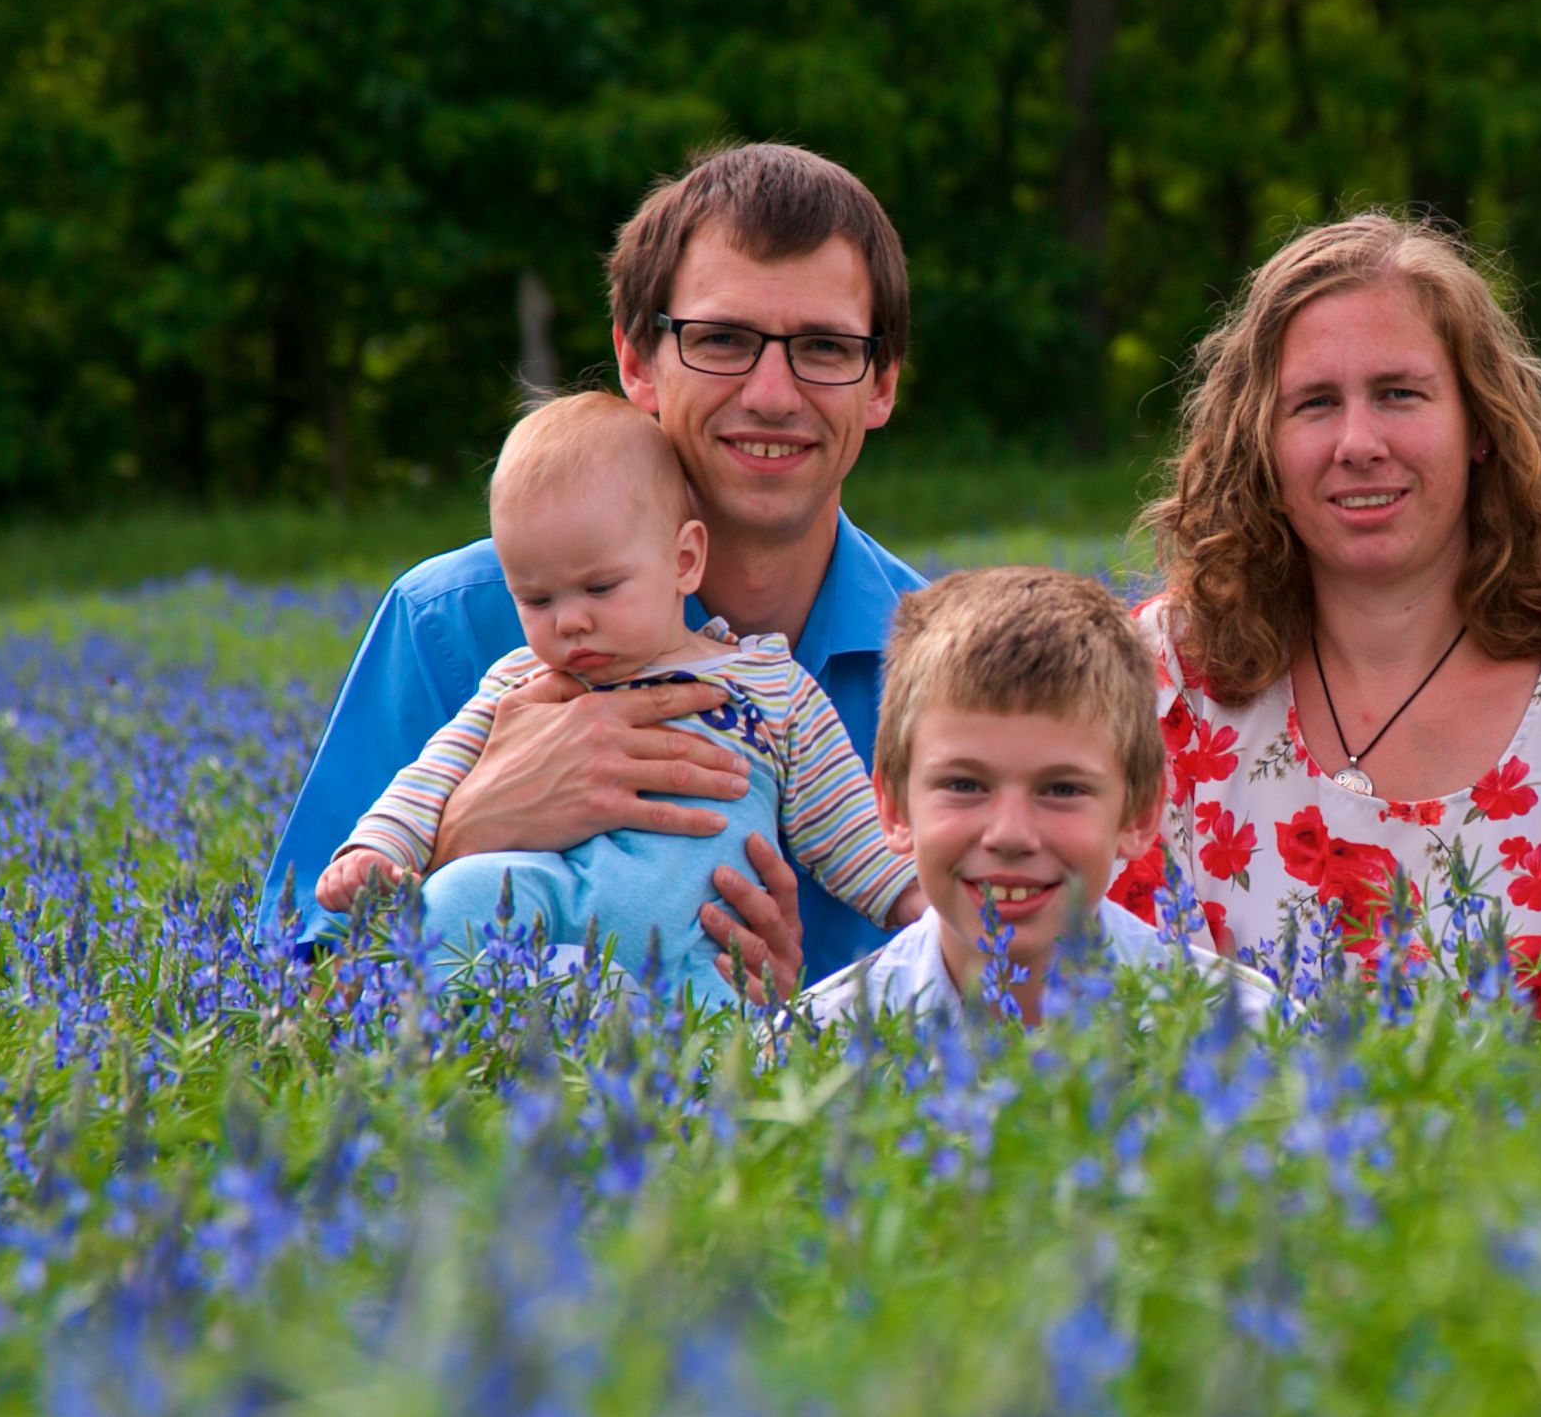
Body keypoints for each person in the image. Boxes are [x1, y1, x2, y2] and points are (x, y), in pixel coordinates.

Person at [259, 143, 924, 996]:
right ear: (638, 361)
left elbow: (1019, 981)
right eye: (722, 338)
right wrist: (462, 836)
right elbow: (285, 999)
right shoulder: (452, 625)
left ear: (882, 382)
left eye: (826, 348)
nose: (771, 393)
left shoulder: (947, 662)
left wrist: (794, 1019)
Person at [1123, 210, 1541, 980]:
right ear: (1261, 444)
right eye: (1314, 403)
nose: (1359, 444)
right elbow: (1119, 1007)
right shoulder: (1159, 678)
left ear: (1479, 425)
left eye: (1399, 394)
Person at [313, 392, 921, 995]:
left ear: (684, 560)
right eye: (537, 600)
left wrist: (916, 900)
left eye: (600, 588)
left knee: (729, 1037)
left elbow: (844, 823)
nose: (570, 622)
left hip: (695, 949)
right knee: (453, 899)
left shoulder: (769, 683)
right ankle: (425, 1019)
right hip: (541, 911)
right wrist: (377, 847)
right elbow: (432, 777)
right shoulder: (521, 682)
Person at [799, 566, 1277, 1029]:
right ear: (895, 807)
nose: (1010, 834)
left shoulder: (1252, 1040)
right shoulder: (807, 1048)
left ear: (1139, 813)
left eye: (1061, 789)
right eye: (964, 786)